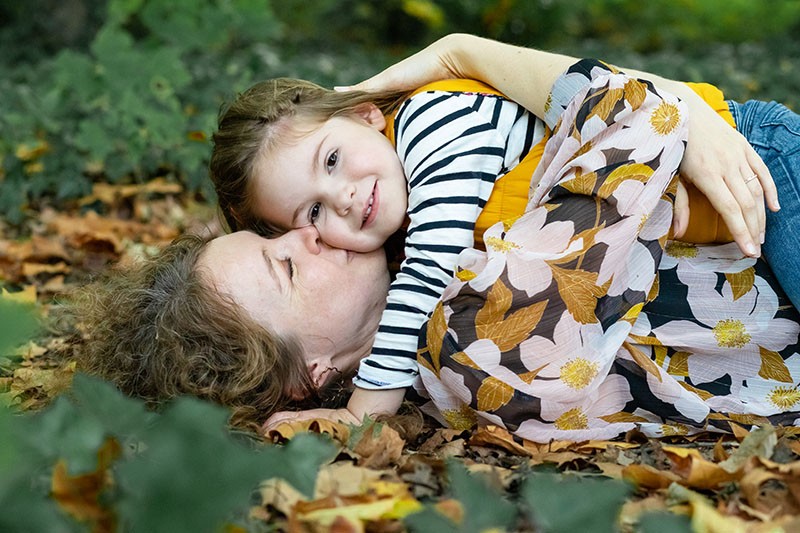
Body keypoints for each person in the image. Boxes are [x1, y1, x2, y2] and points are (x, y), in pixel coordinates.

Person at [76, 35, 800, 441]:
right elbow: (639, 114)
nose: (318, 236)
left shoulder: (432, 255)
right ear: (313, 375)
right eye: (289, 256)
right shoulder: (476, 331)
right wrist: (465, 51)